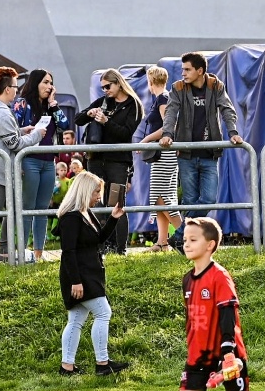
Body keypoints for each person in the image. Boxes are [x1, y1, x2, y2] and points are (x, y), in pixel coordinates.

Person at [137, 217, 265, 391]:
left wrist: (228, 351)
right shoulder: (187, 279)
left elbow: (227, 314)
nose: (186, 244)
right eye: (185, 239)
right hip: (198, 355)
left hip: (226, 355)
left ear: (210, 245)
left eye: (193, 240)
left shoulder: (219, 276)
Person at [0, 67, 49, 263]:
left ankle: (4, 252)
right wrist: (34, 136)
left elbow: (1, 136)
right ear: (7, 89)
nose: (17, 90)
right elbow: (13, 144)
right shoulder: (2, 113)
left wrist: (21, 130)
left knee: (8, 210)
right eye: (15, 86)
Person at [55, 171, 130, 377]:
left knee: (76, 319)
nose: (99, 196)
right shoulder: (71, 217)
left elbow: (97, 240)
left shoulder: (85, 213)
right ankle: (102, 363)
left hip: (89, 272)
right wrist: (76, 281)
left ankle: (67, 367)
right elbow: (68, 252)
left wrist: (113, 219)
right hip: (81, 275)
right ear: (85, 190)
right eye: (96, 191)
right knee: (103, 313)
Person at [161, 53, 244, 233]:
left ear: (200, 71)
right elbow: (170, 112)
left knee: (209, 199)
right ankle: (190, 240)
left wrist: (233, 133)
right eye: (182, 69)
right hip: (186, 153)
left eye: (187, 69)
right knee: (190, 200)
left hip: (209, 153)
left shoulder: (216, 86)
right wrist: (167, 134)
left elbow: (227, 110)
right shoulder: (178, 88)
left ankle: (181, 234)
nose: (183, 73)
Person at [76, 68, 142, 255]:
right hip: (96, 160)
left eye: (108, 86)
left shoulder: (133, 105)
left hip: (119, 161)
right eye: (102, 87)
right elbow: (78, 119)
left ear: (119, 83)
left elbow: (126, 132)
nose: (105, 90)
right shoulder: (104, 101)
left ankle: (119, 248)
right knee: (96, 202)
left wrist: (106, 121)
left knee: (116, 204)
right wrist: (89, 113)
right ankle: (101, 246)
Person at [13, 68, 75, 261]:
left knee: (42, 209)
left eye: (51, 83)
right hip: (29, 159)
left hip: (49, 162)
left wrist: (54, 104)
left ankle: (39, 253)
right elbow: (12, 130)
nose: (49, 87)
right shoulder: (21, 104)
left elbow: (65, 125)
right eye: (45, 82)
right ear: (35, 83)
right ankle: (22, 252)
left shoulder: (51, 106)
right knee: (28, 207)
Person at [139, 65, 182, 251]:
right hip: (161, 153)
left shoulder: (163, 98)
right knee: (159, 196)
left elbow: (168, 125)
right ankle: (162, 241)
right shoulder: (160, 98)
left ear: (150, 81)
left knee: (162, 196)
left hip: (165, 153)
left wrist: (147, 139)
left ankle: (182, 235)